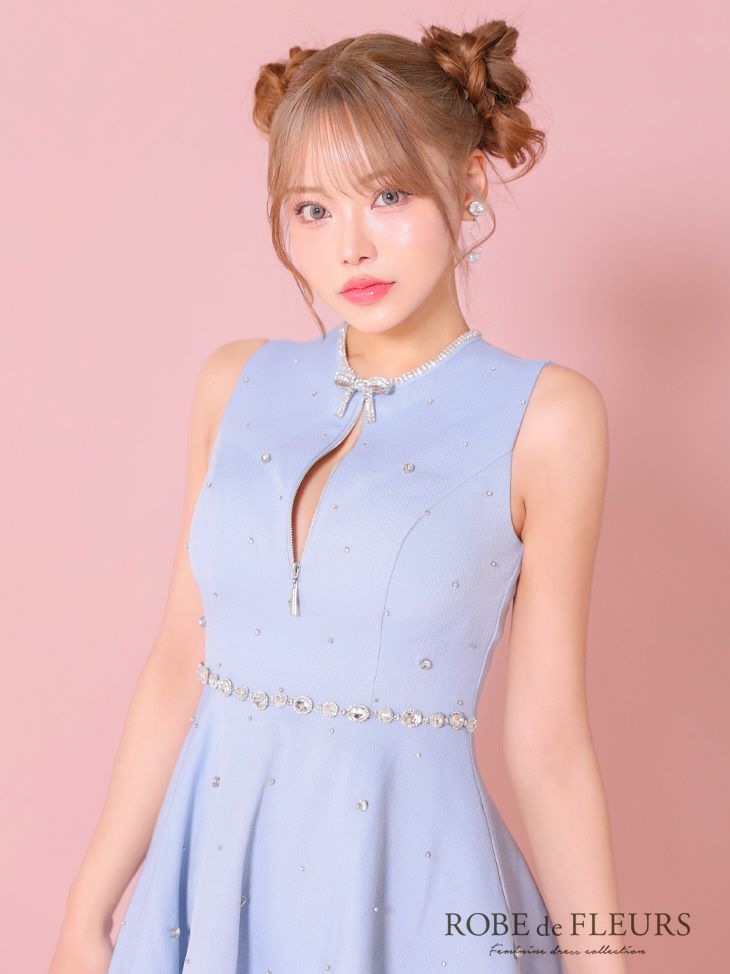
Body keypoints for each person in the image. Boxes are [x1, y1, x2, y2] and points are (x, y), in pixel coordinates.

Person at [49, 20, 628, 974]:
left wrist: (605, 963)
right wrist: (88, 908)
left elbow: (549, 743)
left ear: (470, 181)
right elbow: (178, 661)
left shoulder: (548, 418)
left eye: (389, 195)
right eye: (312, 209)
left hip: (410, 891)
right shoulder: (235, 382)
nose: (350, 246)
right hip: (210, 886)